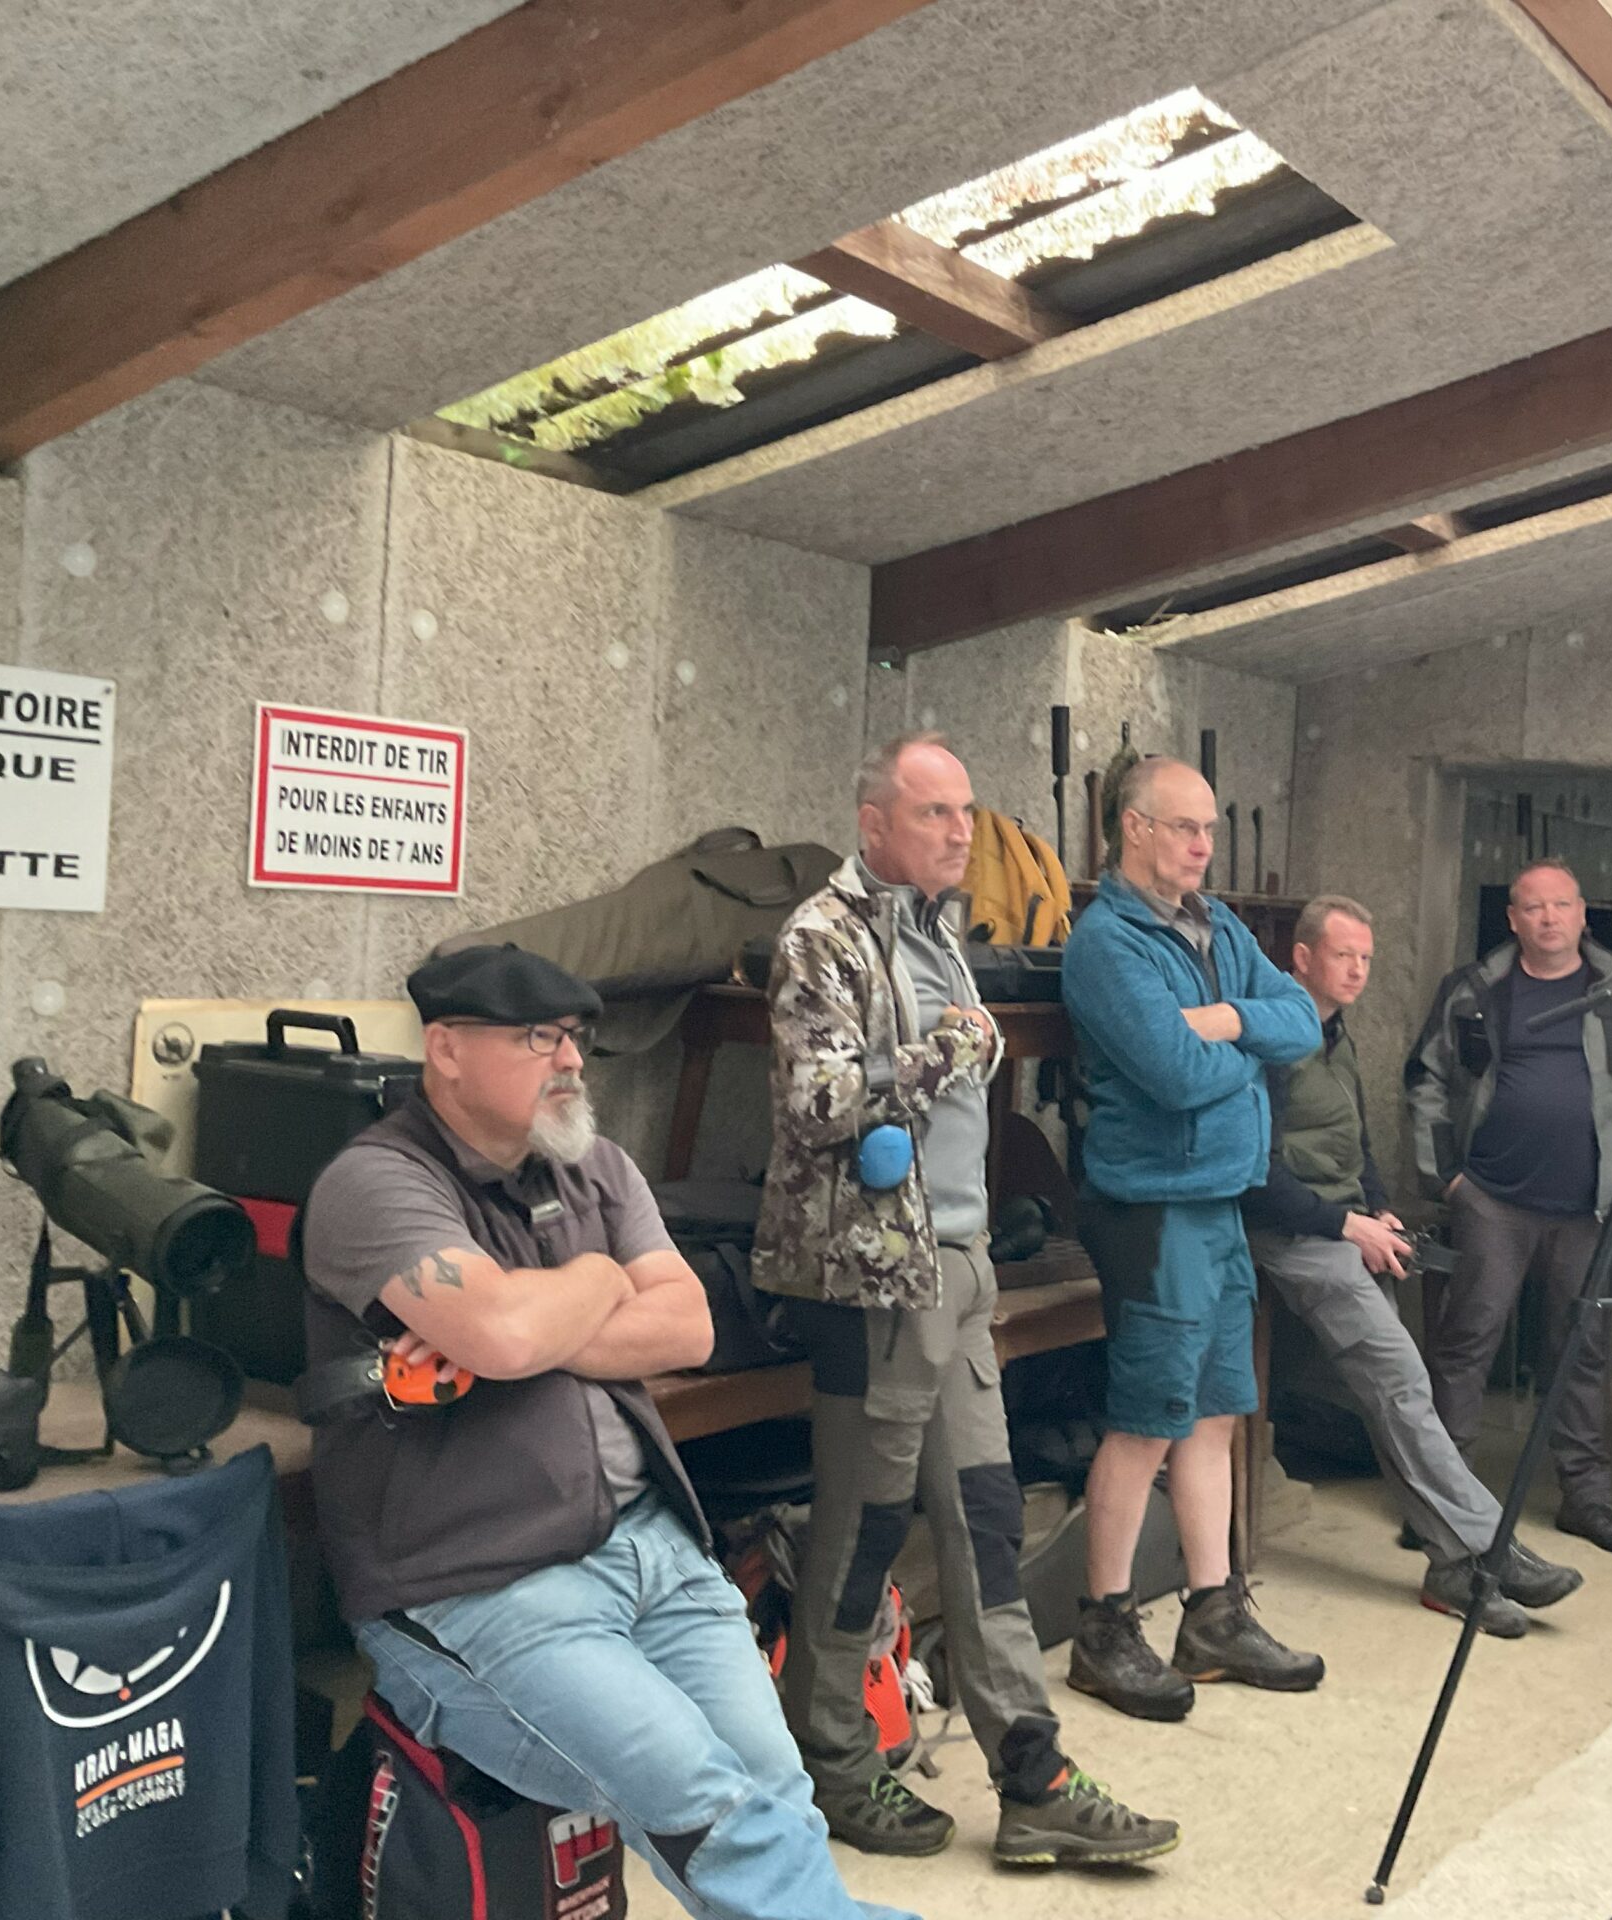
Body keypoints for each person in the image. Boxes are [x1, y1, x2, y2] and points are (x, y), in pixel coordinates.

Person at [300, 944, 904, 1920]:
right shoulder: (375, 1185)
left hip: (651, 1542)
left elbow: (691, 1325)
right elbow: (498, 1330)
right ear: (447, 1051)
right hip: (474, 1576)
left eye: (575, 1037)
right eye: (537, 1038)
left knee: (771, 1788)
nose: (571, 1060)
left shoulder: (598, 1169)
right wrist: (595, 1281)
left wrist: (531, 1323)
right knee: (709, 1805)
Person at [753, 732, 1175, 1865]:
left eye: (967, 814)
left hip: (959, 1270)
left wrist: (957, 1041)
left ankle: (1030, 1771)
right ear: (873, 822)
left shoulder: (943, 932)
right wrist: (948, 1047)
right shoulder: (819, 938)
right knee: (863, 1526)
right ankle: (834, 1765)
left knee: (986, 1519)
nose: (959, 833)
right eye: (935, 813)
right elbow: (818, 1099)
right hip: (870, 1286)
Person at [1058, 754, 1328, 1720]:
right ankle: (1104, 1626)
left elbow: (1303, 1025)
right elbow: (1170, 1073)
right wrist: (1238, 1056)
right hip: (1154, 1208)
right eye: (1186, 828)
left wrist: (1222, 1021)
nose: (1204, 846)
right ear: (1134, 828)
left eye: (1210, 828)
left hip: (1217, 1200)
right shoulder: (1108, 942)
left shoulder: (1212, 929)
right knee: (1147, 1419)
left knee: (1214, 1410)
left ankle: (1213, 1614)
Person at [1243, 894, 1586, 1637]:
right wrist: (1346, 1224)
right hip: (1292, 1233)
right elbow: (1256, 1176)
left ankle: (1453, 1570)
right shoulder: (1273, 1041)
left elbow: (1357, 1142)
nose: (1359, 970)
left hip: (1341, 1224)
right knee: (1400, 1380)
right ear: (1301, 958)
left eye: (1366, 957)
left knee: (1395, 1392)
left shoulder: (1336, 1034)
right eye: (1343, 955)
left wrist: (1377, 1207)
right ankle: (1491, 1551)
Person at [1406, 858, 1612, 1558]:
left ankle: (1586, 1498)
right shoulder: (1474, 992)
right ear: (1512, 919)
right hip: (1493, 1201)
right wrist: (1447, 1179)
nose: (1548, 918)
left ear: (1583, 914)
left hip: (1588, 1209)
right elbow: (1424, 1079)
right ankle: (1445, 1501)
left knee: (1582, 1352)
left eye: (1561, 905)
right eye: (1532, 907)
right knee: (1464, 1346)